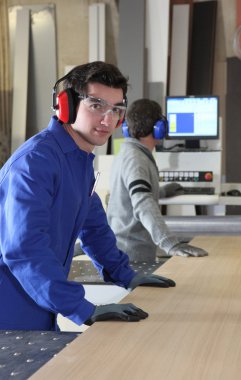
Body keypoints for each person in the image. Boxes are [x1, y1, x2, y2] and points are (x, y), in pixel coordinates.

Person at [0, 62, 176, 331]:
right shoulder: (36, 163)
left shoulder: (78, 161)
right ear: (66, 105)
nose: (108, 120)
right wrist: (82, 309)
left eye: (116, 109)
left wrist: (126, 275)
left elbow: (93, 226)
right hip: (10, 308)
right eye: (96, 105)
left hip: (37, 301)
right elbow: (25, 250)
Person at [107, 98, 208, 263]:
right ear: (159, 128)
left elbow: (130, 195)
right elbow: (142, 203)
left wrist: (161, 191)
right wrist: (171, 244)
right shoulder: (136, 159)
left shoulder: (127, 152)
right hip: (132, 256)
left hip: (126, 250)